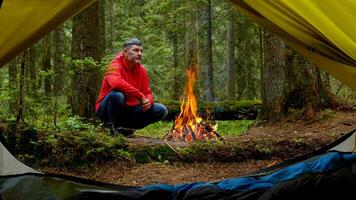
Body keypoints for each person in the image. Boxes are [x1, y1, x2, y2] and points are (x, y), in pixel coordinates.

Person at [95, 38, 168, 137]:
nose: (139, 54)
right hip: (106, 110)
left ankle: (126, 129)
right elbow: (116, 83)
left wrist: (148, 102)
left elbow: (147, 92)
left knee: (161, 110)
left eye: (141, 51)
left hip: (128, 111)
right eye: (136, 50)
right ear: (125, 52)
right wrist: (140, 96)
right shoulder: (115, 65)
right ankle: (112, 129)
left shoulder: (142, 71)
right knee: (117, 95)